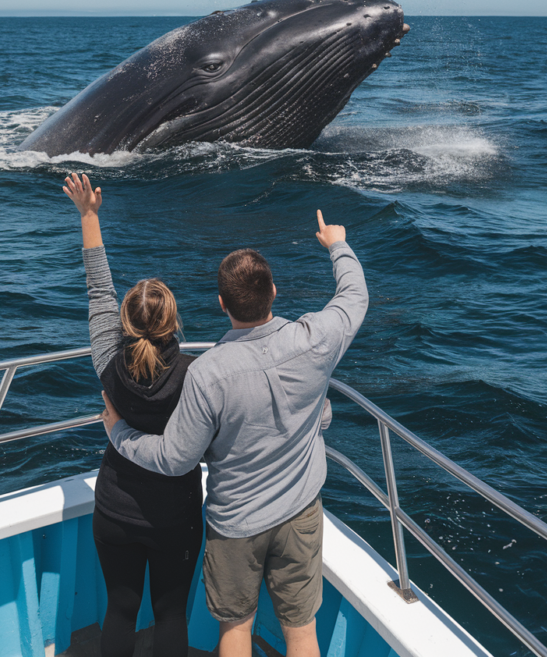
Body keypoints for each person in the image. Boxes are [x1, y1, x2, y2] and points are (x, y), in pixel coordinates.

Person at [103, 208, 368, 657]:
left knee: (236, 629)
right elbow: (354, 296)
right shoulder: (317, 338)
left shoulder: (207, 373)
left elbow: (176, 459)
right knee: (302, 631)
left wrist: (120, 433)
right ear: (274, 292)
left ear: (221, 304)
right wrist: (337, 244)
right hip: (301, 510)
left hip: (237, 523)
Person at [63, 173, 203, 657]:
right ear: (174, 323)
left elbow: (97, 288)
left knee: (120, 610)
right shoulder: (197, 375)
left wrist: (88, 215)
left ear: (124, 321)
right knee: (170, 613)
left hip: (115, 508)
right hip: (176, 516)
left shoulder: (107, 359)